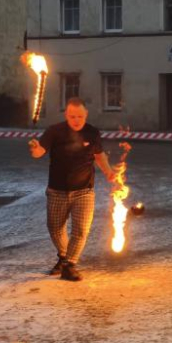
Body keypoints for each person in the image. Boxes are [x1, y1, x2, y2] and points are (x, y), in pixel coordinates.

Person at [28, 97, 115, 281]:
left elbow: (99, 156)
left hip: (84, 190)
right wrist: (35, 148)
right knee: (55, 228)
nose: (76, 120)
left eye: (80, 116)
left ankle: (69, 265)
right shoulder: (54, 131)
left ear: (86, 115)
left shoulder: (92, 133)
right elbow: (39, 152)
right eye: (72, 116)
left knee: (81, 230)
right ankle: (63, 256)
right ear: (66, 115)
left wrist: (108, 172)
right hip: (57, 190)